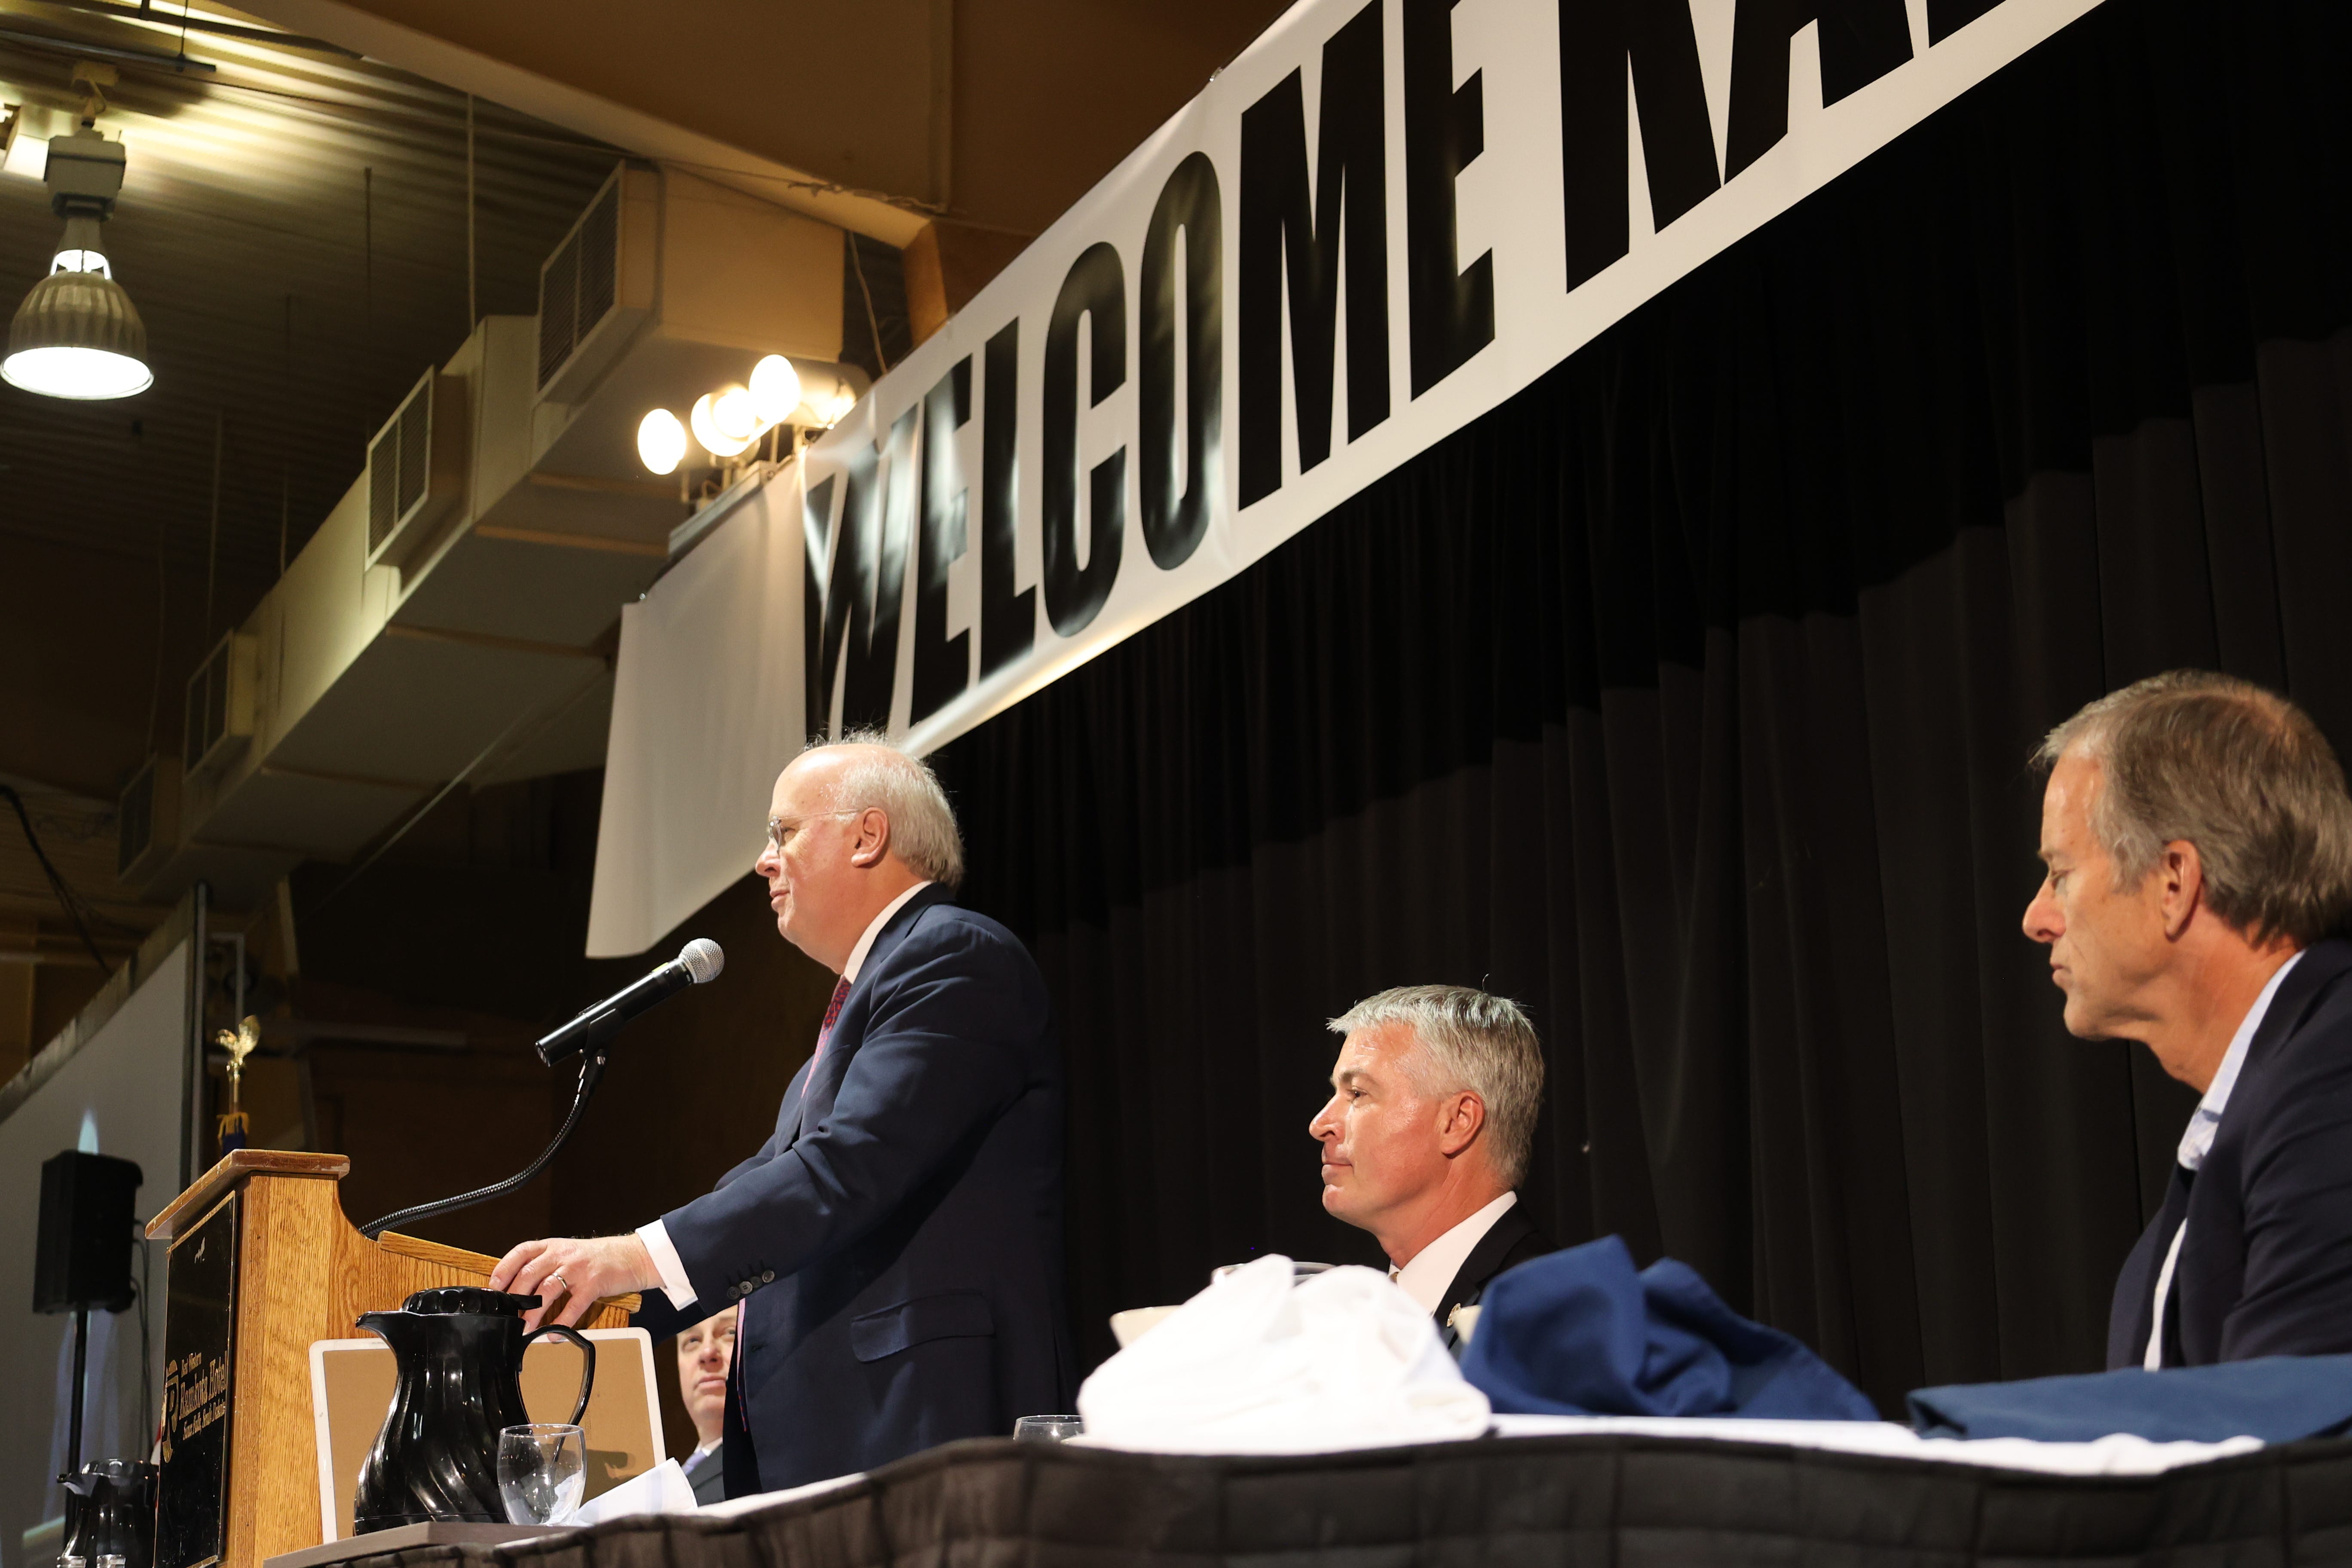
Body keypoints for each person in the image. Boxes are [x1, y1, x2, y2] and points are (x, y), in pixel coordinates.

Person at [490, 736, 1072, 1494]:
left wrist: (628, 1258)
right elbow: (765, 1192)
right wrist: (582, 1301)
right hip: (847, 1443)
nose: (765, 862)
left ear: (867, 836)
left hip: (925, 1429)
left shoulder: (955, 957)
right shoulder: (829, 1050)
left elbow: (843, 1167)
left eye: (784, 832)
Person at [2022, 671, 2352, 1369]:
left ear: (2173, 881)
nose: (2036, 918)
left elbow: (2291, 1418)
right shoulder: (2179, 1221)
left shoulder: (2335, 1081)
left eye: (2060, 872)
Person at [1308, 984, 1552, 1350]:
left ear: (1457, 1122)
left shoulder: (1546, 1317)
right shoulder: (1344, 1321)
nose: (1320, 1125)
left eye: (1357, 1094)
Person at [674, 1305, 735, 1504]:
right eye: (692, 1341)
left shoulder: (776, 1467)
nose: (707, 1352)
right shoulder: (658, 1485)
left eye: (731, 1333)